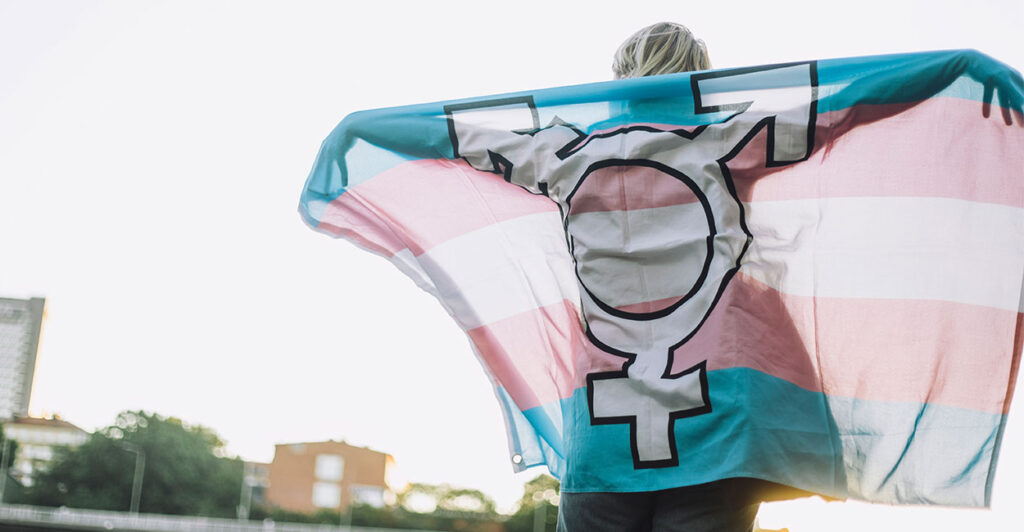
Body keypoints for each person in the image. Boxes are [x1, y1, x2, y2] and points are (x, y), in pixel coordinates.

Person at [553, 22, 819, 532]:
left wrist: (368, 135)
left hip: (602, 422)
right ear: (700, 80)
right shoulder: (728, 142)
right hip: (712, 422)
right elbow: (844, 113)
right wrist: (948, 78)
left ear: (617, 78)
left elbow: (453, 143)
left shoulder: (566, 156)